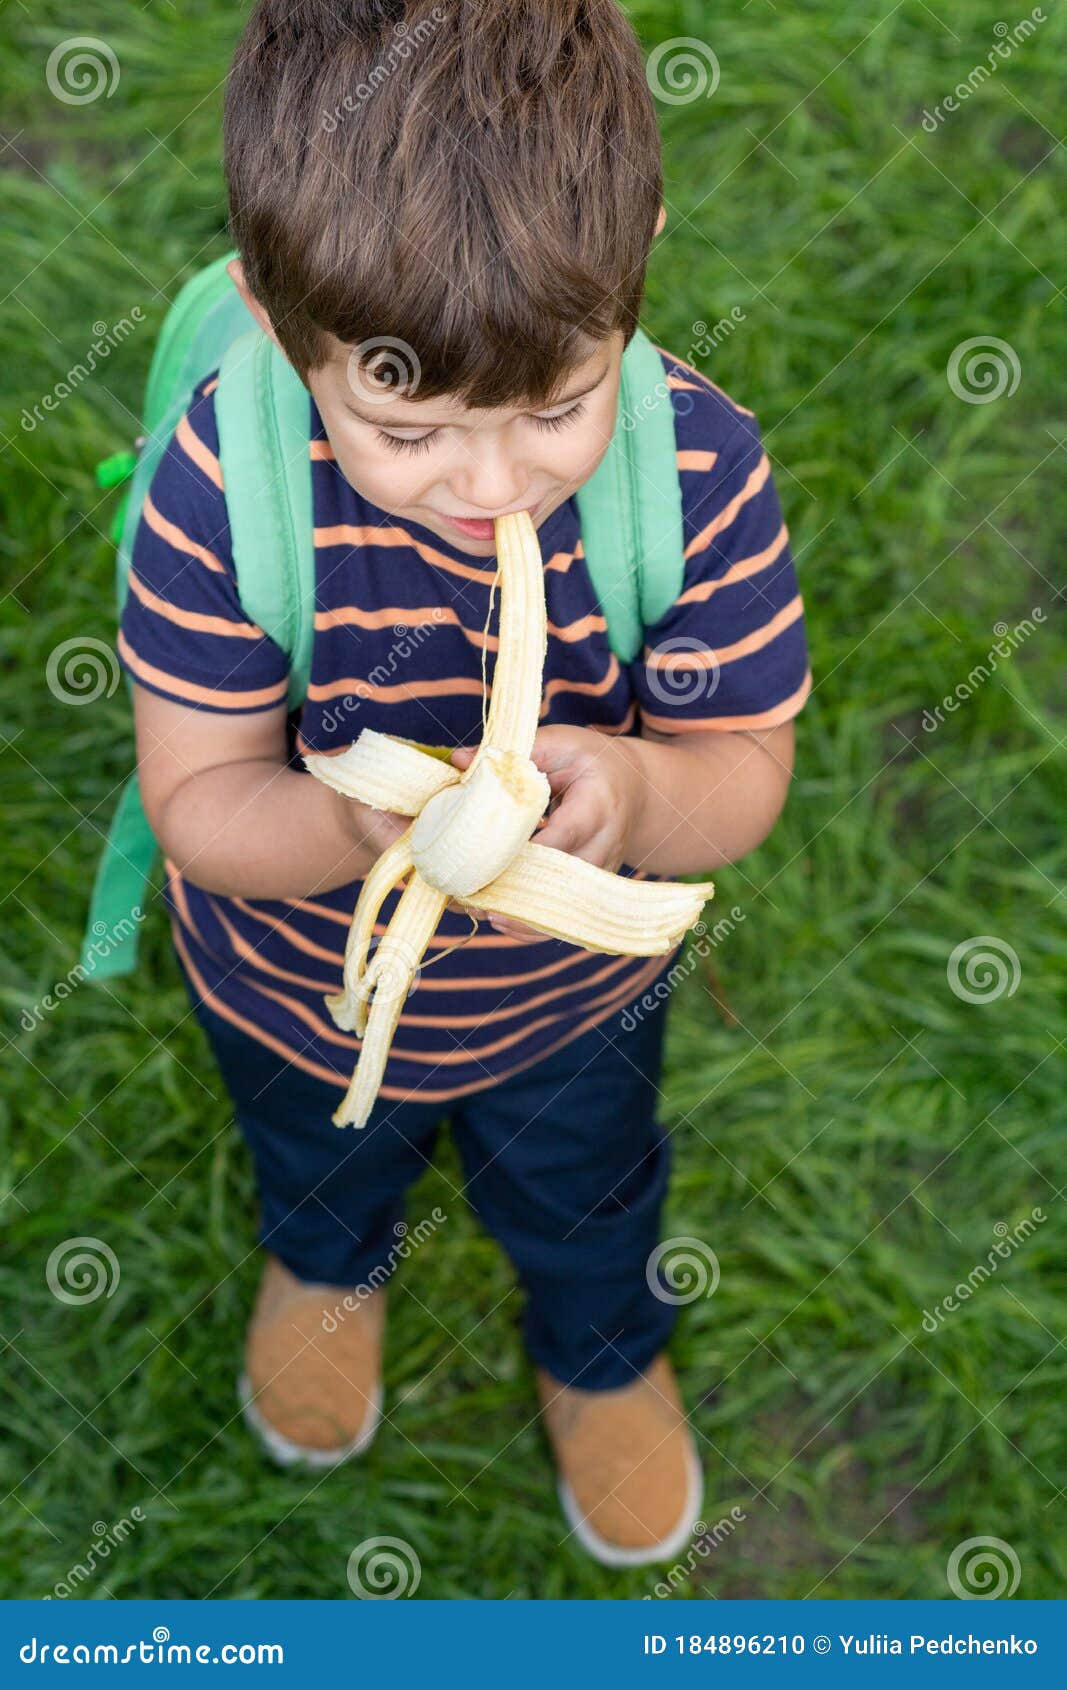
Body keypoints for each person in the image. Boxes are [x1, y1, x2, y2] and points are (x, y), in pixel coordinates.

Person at [117, 0, 811, 1567]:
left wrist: (631, 799)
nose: (493, 484)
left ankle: (600, 1351)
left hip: (567, 1005)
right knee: (318, 1155)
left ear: (639, 240)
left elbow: (745, 764)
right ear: (277, 316)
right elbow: (200, 804)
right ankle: (325, 1267)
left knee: (586, 1188)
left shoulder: (693, 470)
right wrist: (354, 820)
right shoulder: (223, 489)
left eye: (557, 410)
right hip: (301, 993)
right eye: (410, 429)